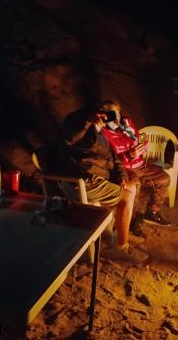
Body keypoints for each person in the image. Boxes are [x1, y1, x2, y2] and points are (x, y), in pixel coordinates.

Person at [60, 105, 148, 264]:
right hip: (84, 180)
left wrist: (120, 175)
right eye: (103, 110)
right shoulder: (76, 127)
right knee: (126, 197)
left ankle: (118, 233)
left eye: (111, 112)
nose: (107, 115)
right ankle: (120, 248)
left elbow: (115, 159)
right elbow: (75, 139)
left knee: (131, 186)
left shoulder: (103, 131)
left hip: (100, 177)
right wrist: (91, 123)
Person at [100, 100, 171, 233]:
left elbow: (137, 139)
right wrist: (130, 155)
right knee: (135, 186)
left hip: (139, 164)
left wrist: (141, 148)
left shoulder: (127, 123)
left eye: (117, 114)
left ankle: (152, 213)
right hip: (124, 168)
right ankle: (130, 222)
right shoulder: (103, 133)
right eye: (111, 115)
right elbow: (110, 160)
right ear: (103, 116)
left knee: (164, 178)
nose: (116, 119)